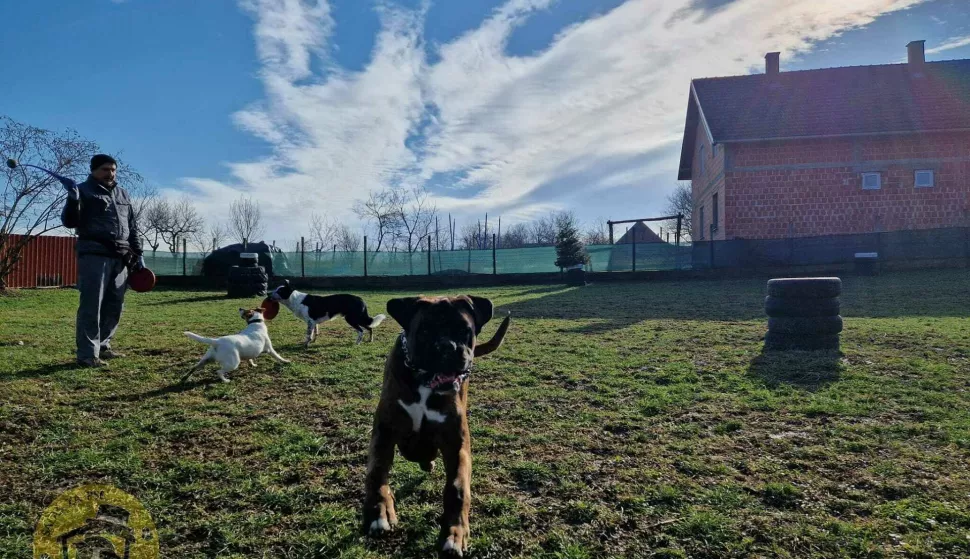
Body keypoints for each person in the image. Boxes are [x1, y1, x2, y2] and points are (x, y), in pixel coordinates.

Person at [60, 154, 145, 367]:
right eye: (105, 170)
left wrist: (138, 253)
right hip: (94, 255)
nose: (111, 174)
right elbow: (70, 222)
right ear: (94, 170)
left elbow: (132, 225)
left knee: (114, 305)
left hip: (122, 257)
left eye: (113, 170)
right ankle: (88, 355)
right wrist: (72, 199)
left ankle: (104, 346)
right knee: (91, 306)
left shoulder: (122, 193)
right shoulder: (82, 191)